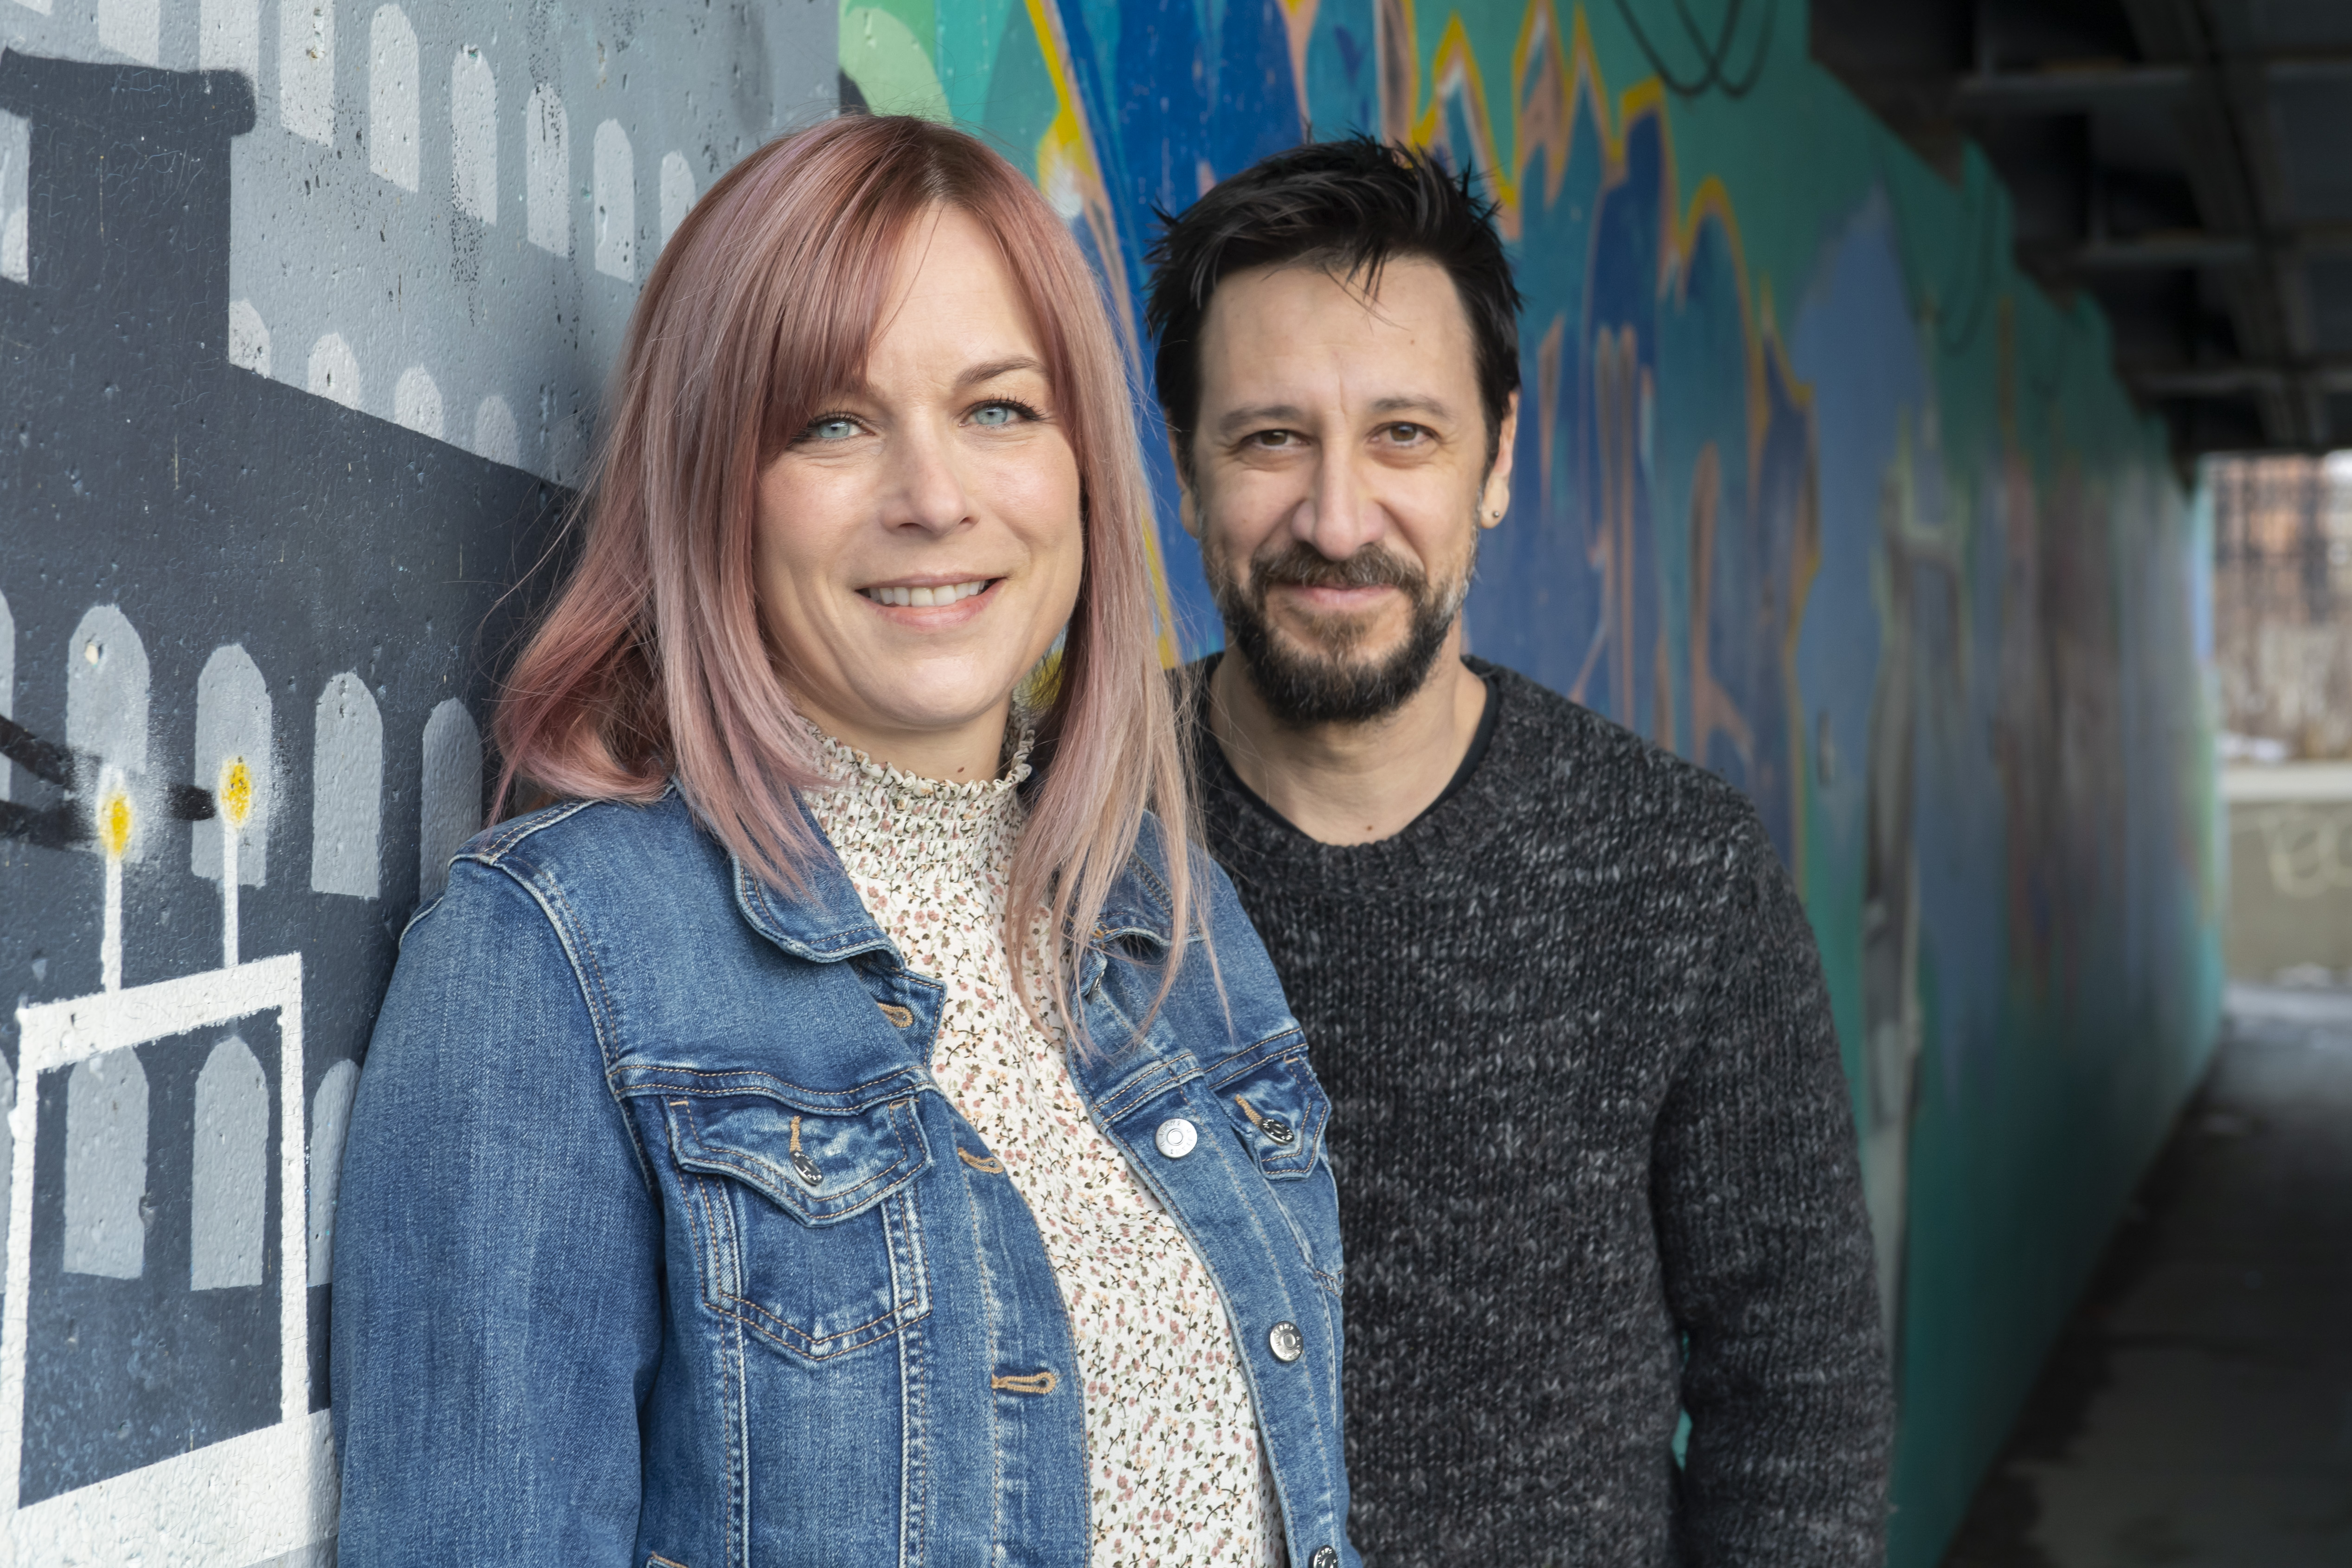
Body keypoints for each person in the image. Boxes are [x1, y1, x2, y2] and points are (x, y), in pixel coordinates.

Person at [331, 115, 1359, 1568]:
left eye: (1000, 409)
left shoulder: (1173, 918)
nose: (934, 496)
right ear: (716, 488)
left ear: (1083, 468)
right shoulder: (550, 962)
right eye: (834, 422)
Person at [1145, 137, 1892, 1563]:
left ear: (1497, 458)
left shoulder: (1678, 873)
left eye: (1404, 435)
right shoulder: (1063, 835)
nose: (1338, 519)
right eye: (1271, 438)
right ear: (1185, 469)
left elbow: (1798, 1391)